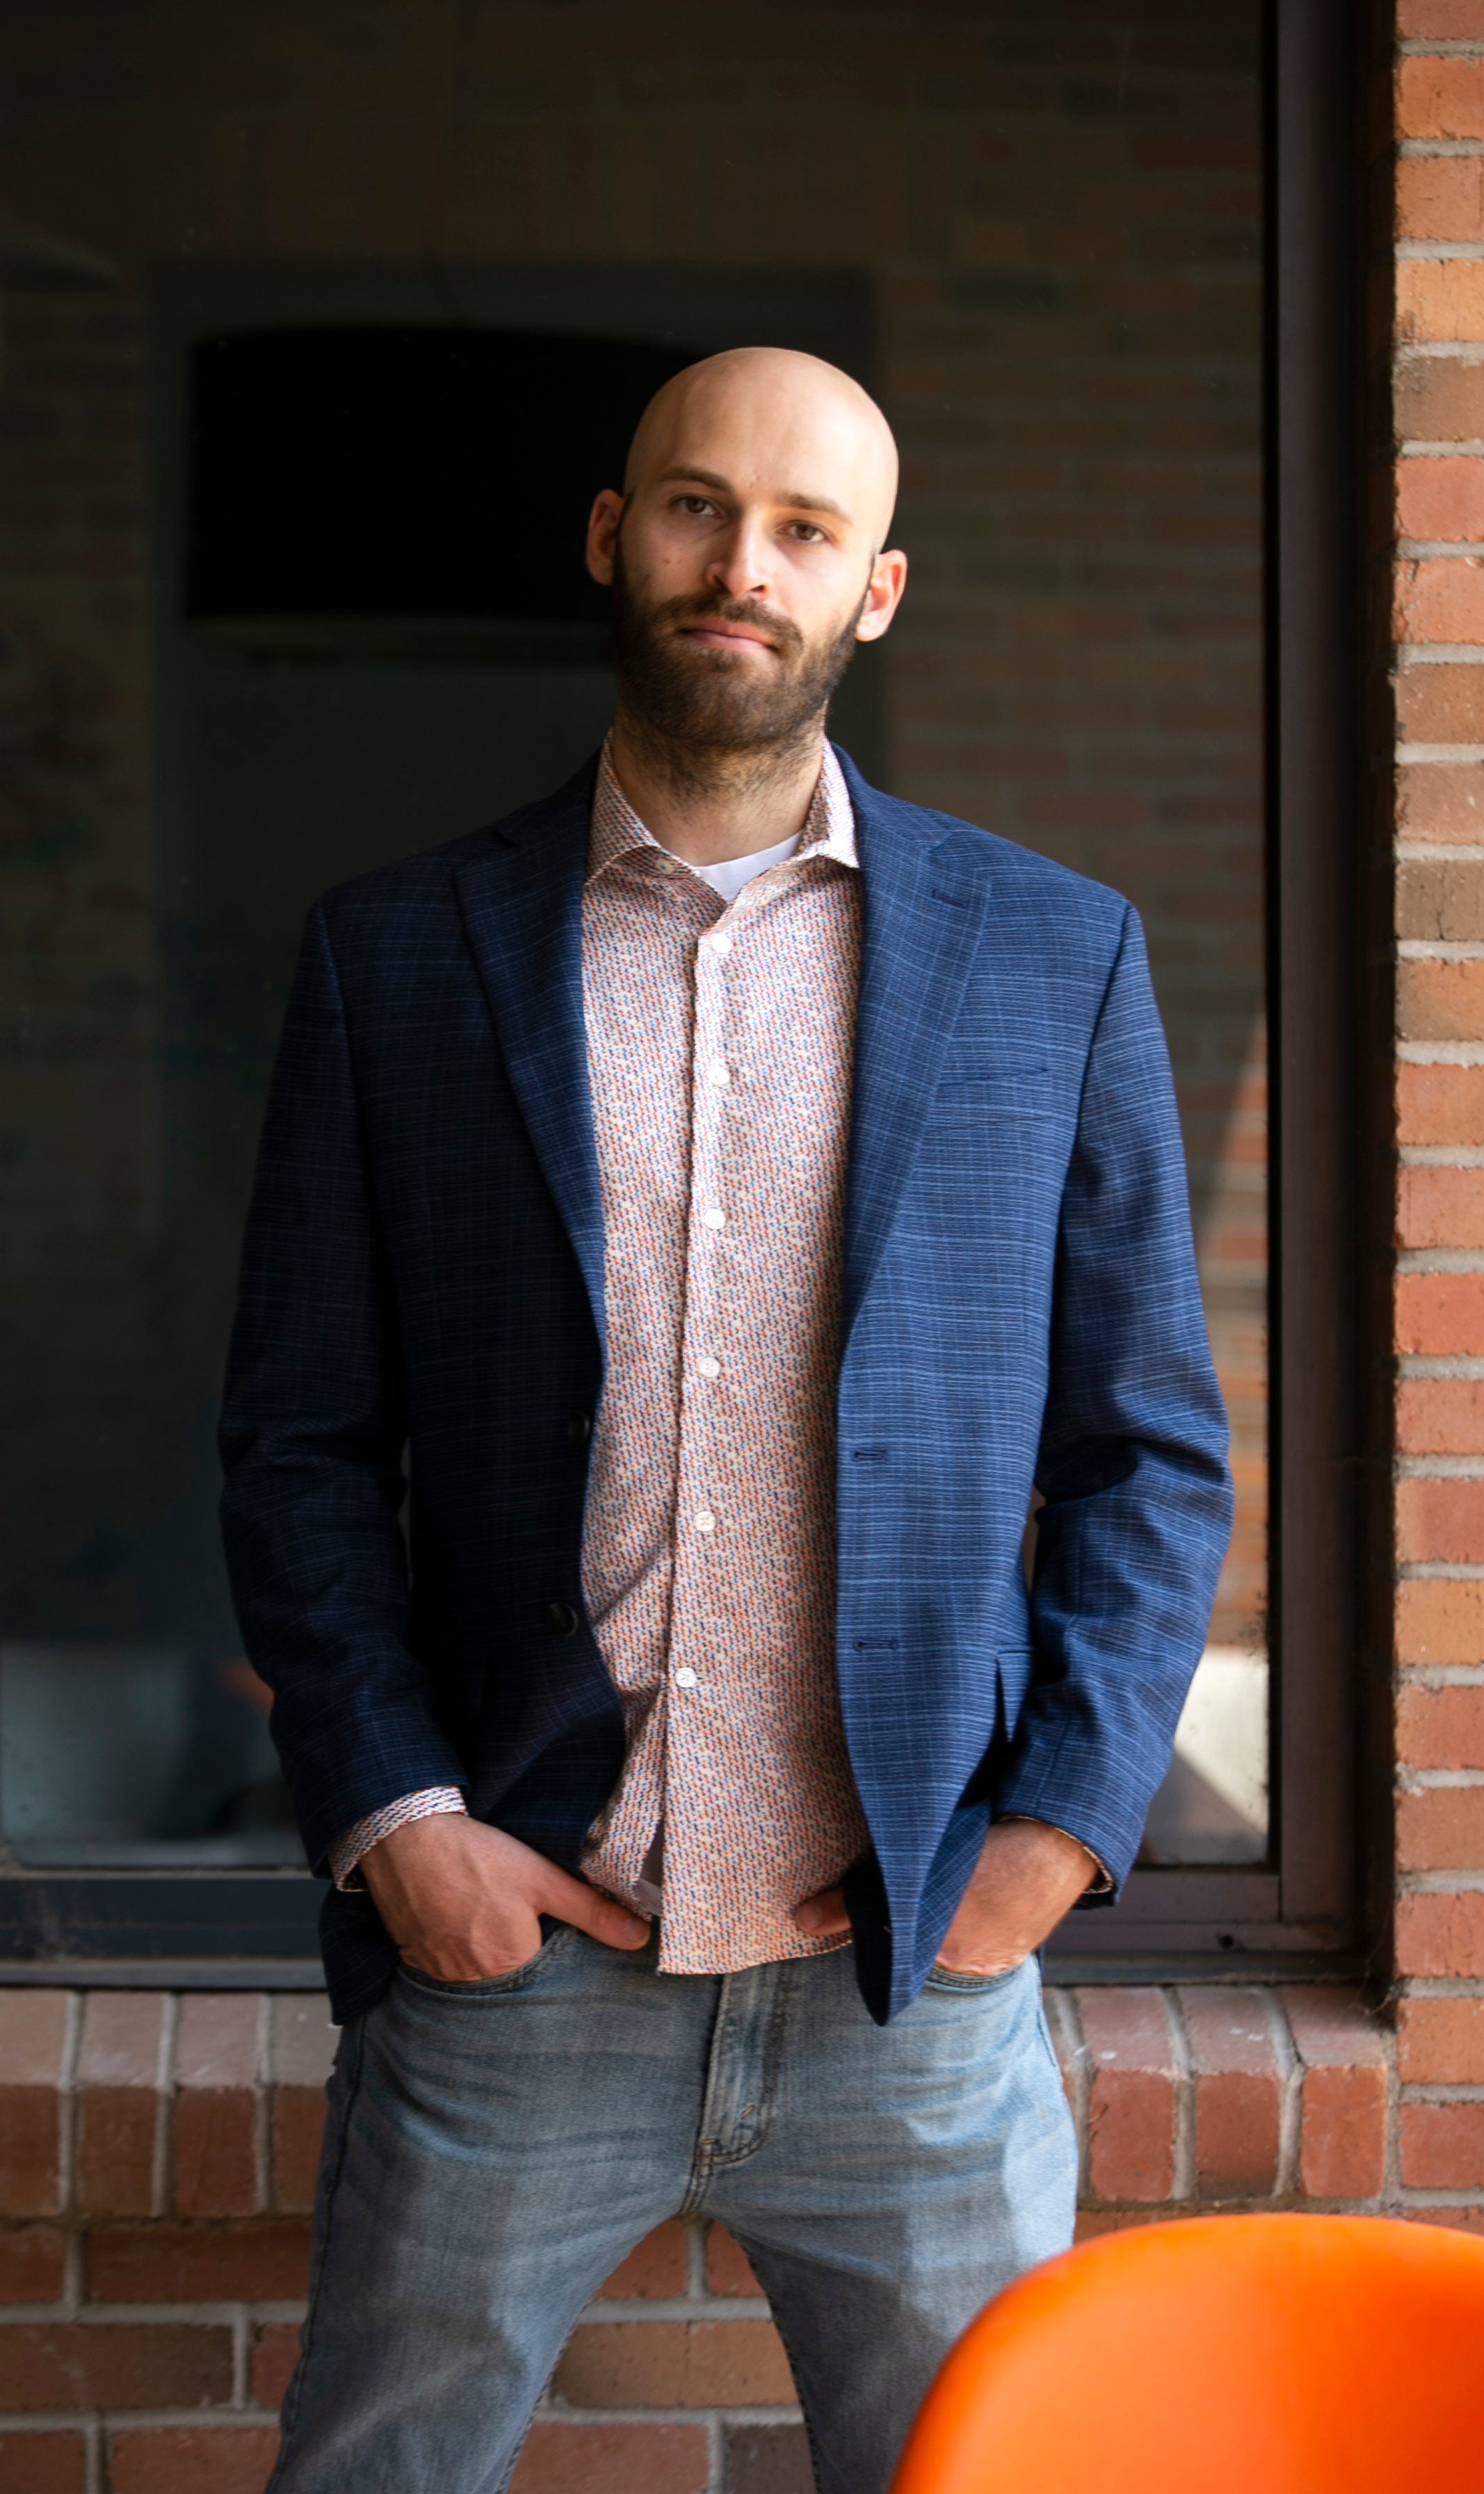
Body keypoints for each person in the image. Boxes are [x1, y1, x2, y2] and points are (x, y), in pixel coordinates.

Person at [219, 346, 1233, 2494]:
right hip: (519, 1966)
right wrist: (400, 1826)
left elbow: (1147, 1449)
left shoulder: (1055, 957)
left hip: (913, 1992)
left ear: (875, 592)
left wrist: (1052, 1833)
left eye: (799, 529)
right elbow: (299, 1440)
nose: (738, 565)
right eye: (695, 508)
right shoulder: (393, 958)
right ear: (612, 539)